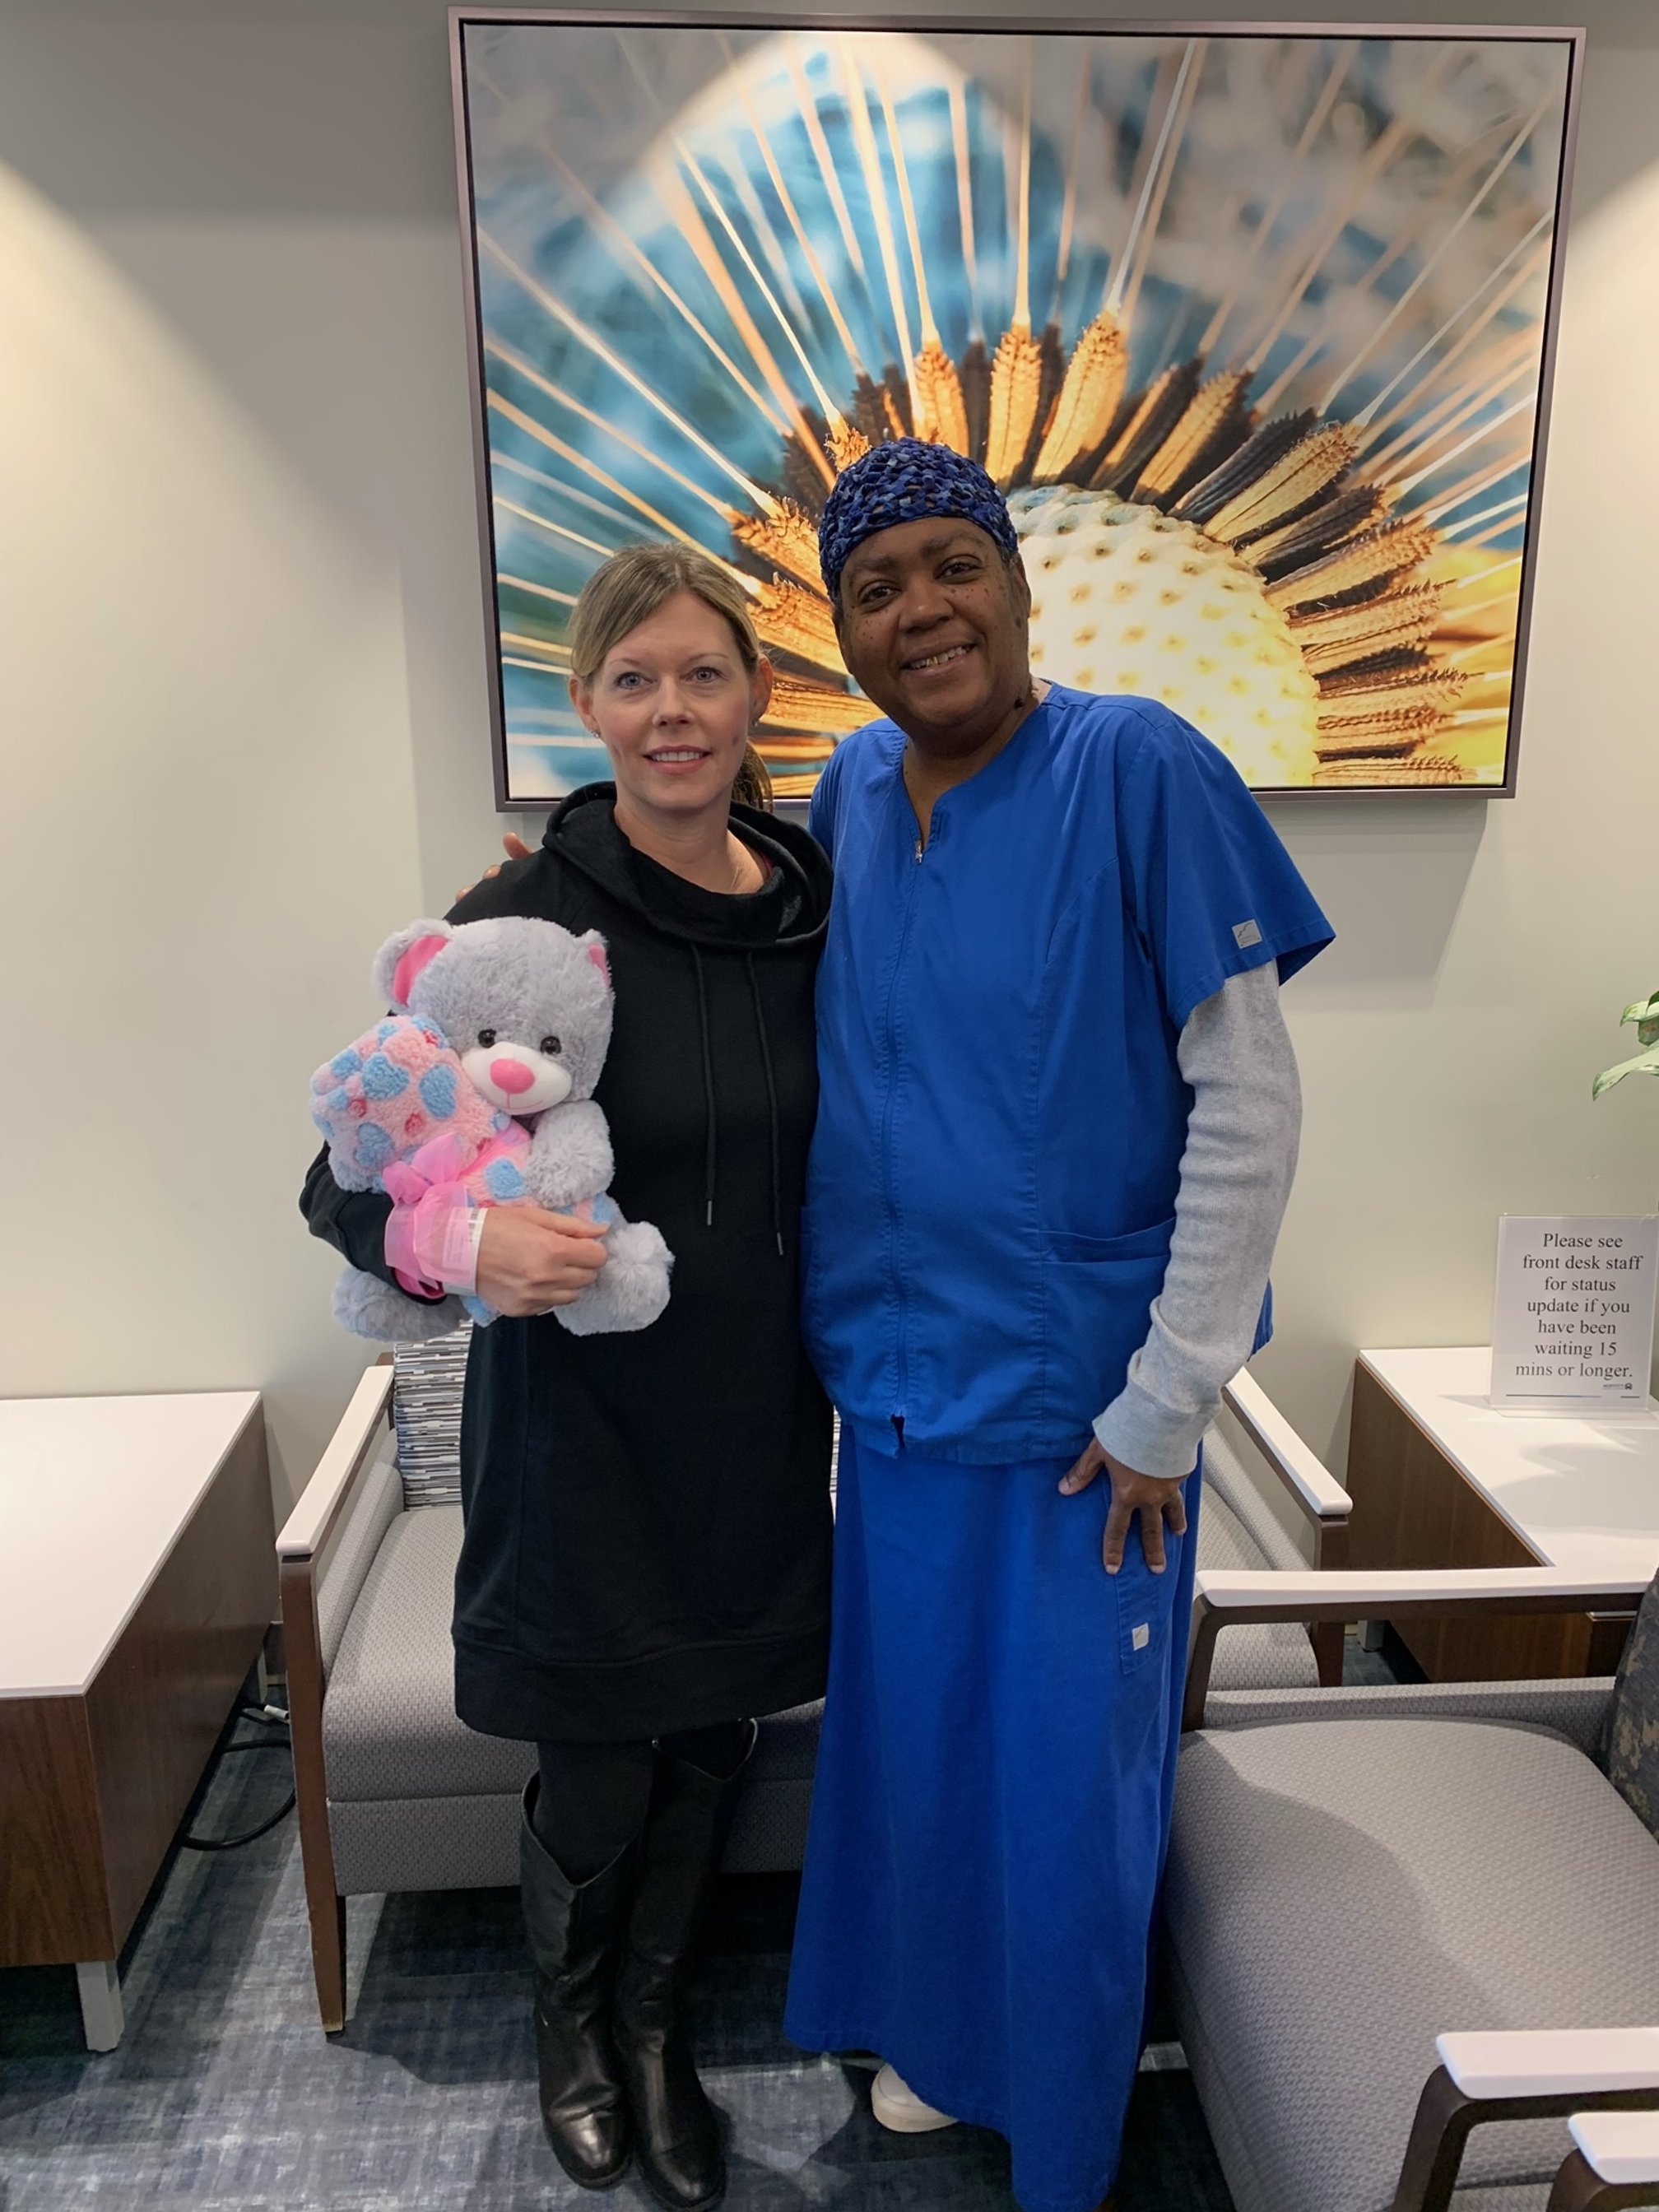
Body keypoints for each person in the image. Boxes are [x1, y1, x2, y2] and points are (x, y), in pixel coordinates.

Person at [780, 439, 1334, 2212]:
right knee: (918, 1752)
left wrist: (1174, 1393)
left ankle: (1059, 2112)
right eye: (878, 587)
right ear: (844, 628)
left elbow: (1249, 1103)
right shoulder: (846, 788)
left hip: (1098, 1417)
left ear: (1021, 586)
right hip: (900, 1391)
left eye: (956, 567)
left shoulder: (1137, 767)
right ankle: (938, 2042)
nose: (922, 610)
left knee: (1064, 1784)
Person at [300, 543, 834, 2212]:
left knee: (711, 1740)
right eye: (635, 679)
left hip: (759, 1421)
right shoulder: (520, 920)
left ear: (757, 696)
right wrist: (465, 1249)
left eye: (704, 674)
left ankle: (657, 2025)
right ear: (587, 705)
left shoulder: (819, 912)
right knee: (600, 1756)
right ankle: (574, 2029)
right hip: (582, 1436)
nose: (673, 710)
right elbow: (339, 1179)